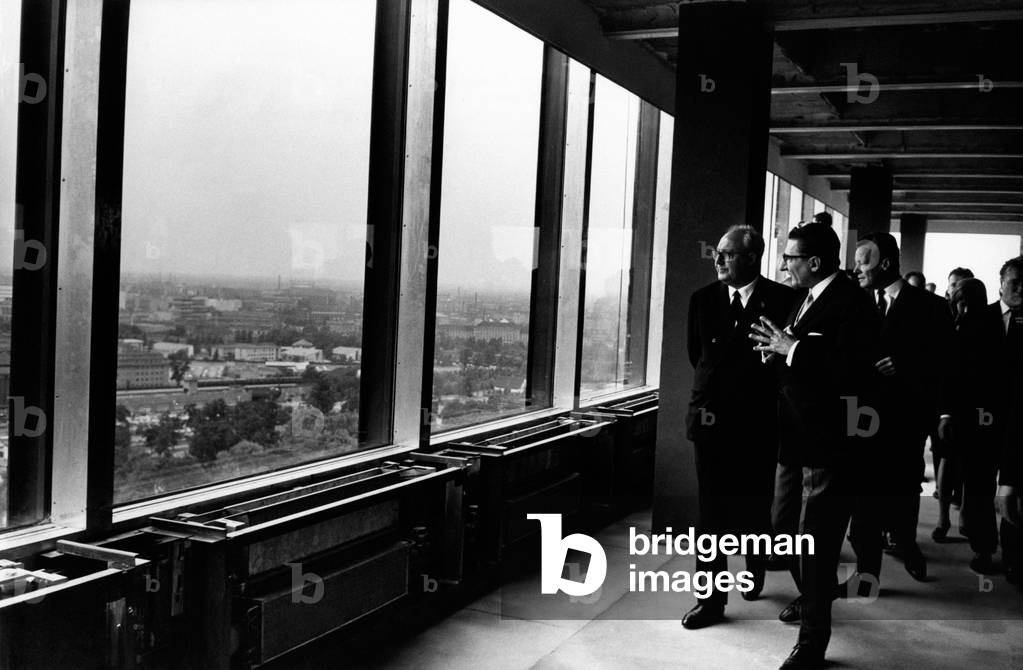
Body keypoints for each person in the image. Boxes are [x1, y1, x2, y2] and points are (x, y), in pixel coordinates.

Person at [750, 222, 880, 670]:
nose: (783, 264)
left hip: (831, 443)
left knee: (818, 543)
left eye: (790, 257)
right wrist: (780, 351)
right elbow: (802, 358)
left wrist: (793, 349)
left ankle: (813, 643)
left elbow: (853, 372)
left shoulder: (853, 304)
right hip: (796, 440)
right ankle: (812, 598)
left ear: (814, 263)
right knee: (784, 528)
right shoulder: (806, 297)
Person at [680, 224, 795, 630]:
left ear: (752, 257)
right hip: (710, 423)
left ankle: (754, 567)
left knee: (753, 506)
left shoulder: (783, 300)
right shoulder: (702, 300)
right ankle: (709, 602)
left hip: (757, 426)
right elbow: (700, 357)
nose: (718, 260)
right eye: (718, 252)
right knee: (711, 515)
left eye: (727, 254)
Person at [851, 233, 953, 584]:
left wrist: (906, 366)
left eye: (863, 260)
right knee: (863, 494)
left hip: (906, 417)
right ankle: (867, 572)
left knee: (904, 489)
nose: (856, 267)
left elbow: (944, 364)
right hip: (860, 416)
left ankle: (908, 546)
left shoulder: (932, 307)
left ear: (886, 263)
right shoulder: (853, 303)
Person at [934, 278, 988, 548]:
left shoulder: (987, 327)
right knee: (948, 461)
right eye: (960, 304)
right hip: (952, 407)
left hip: (977, 407)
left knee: (971, 464)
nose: (964, 310)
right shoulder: (950, 328)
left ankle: (965, 514)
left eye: (968, 305)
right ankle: (944, 518)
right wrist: (944, 413)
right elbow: (944, 375)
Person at [995, 257, 1023, 583]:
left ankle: (1015, 561)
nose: (1020, 290)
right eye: (1014, 282)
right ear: (1001, 282)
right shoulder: (982, 319)